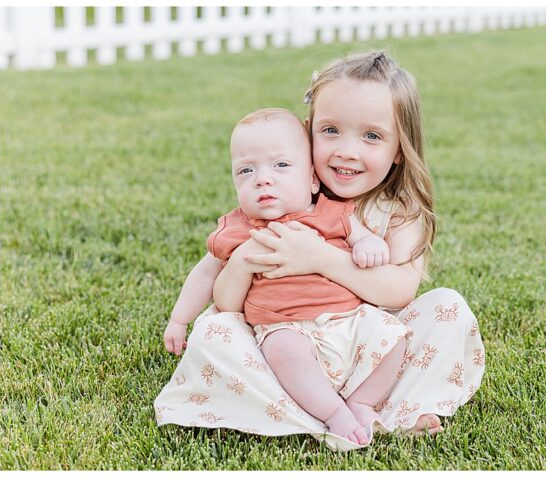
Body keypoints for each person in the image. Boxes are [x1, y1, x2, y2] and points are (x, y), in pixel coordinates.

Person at [155, 51, 485, 450]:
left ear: (400, 148)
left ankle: (380, 407)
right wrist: (242, 262)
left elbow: (399, 292)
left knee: (446, 308)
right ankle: (322, 414)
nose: (347, 150)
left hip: (367, 347)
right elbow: (227, 303)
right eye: (331, 131)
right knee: (216, 332)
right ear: (306, 132)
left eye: (372, 136)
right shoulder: (279, 200)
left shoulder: (399, 212)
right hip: (285, 345)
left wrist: (319, 257)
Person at [162, 107, 411, 445]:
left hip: (347, 321)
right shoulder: (237, 228)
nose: (262, 179)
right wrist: (179, 320)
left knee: (393, 337)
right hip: (286, 326)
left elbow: (361, 236)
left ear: (312, 179)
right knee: (283, 351)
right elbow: (206, 275)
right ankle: (333, 413)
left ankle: (361, 401)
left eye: (280, 165)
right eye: (246, 170)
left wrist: (369, 244)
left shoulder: (331, 212)